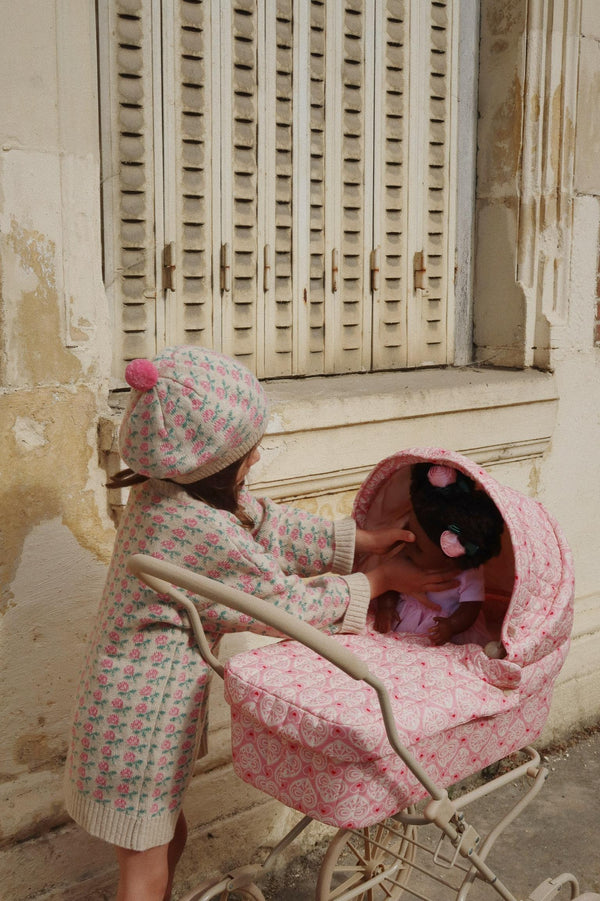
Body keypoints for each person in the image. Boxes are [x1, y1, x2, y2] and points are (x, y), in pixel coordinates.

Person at [64, 345, 459, 901]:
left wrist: (355, 542)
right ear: (212, 462)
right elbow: (283, 608)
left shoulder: (168, 493)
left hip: (128, 710)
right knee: (144, 867)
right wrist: (377, 580)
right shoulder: (197, 531)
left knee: (164, 838)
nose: (255, 461)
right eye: (248, 454)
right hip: (138, 730)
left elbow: (266, 521)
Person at [373, 462, 504, 646]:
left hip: (444, 624)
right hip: (408, 617)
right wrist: (386, 606)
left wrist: (452, 625)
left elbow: (471, 607)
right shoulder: (407, 556)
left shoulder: (468, 574)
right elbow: (391, 584)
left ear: (451, 559)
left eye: (418, 546)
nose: (407, 544)